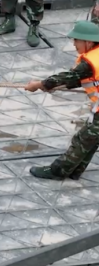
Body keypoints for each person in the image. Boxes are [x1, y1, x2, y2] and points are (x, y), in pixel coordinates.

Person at [25, 20, 99, 179]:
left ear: (88, 41)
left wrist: (39, 84)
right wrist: (50, 86)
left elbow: (69, 76)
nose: (74, 44)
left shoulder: (90, 62)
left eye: (76, 40)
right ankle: (74, 170)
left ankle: (58, 171)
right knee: (90, 140)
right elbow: (80, 79)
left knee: (83, 139)